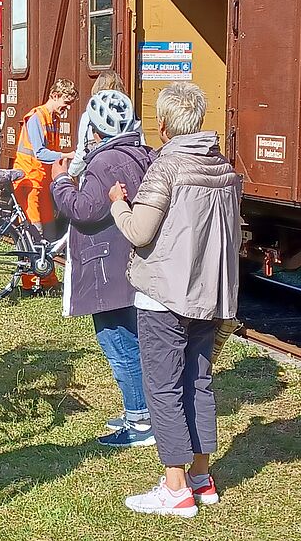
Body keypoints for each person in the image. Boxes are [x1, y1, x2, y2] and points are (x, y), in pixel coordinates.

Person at [109, 82, 242, 518]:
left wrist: (118, 205)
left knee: (163, 388)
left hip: (164, 295)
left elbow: (139, 232)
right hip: (210, 295)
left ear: (163, 126)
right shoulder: (222, 169)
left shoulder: (165, 168)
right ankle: (202, 479)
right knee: (199, 382)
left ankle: (175, 488)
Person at [51, 90, 155, 448]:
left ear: (94, 131)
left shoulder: (103, 163)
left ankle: (140, 421)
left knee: (118, 341)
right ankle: (141, 410)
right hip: (132, 261)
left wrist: (61, 180)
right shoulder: (142, 154)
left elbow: (82, 209)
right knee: (136, 338)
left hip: (106, 266)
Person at [13, 78, 78, 242]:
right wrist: (66, 155)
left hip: (42, 182)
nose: (68, 107)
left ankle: (47, 266)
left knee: (49, 230)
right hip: (29, 181)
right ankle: (32, 266)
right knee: (34, 232)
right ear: (55, 95)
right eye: (66, 102)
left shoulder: (53, 118)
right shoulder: (36, 117)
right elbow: (40, 153)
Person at [67, 70, 144, 179]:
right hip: (128, 175)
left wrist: (70, 174)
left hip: (97, 174)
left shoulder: (90, 116)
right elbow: (141, 144)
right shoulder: (130, 114)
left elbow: (83, 153)